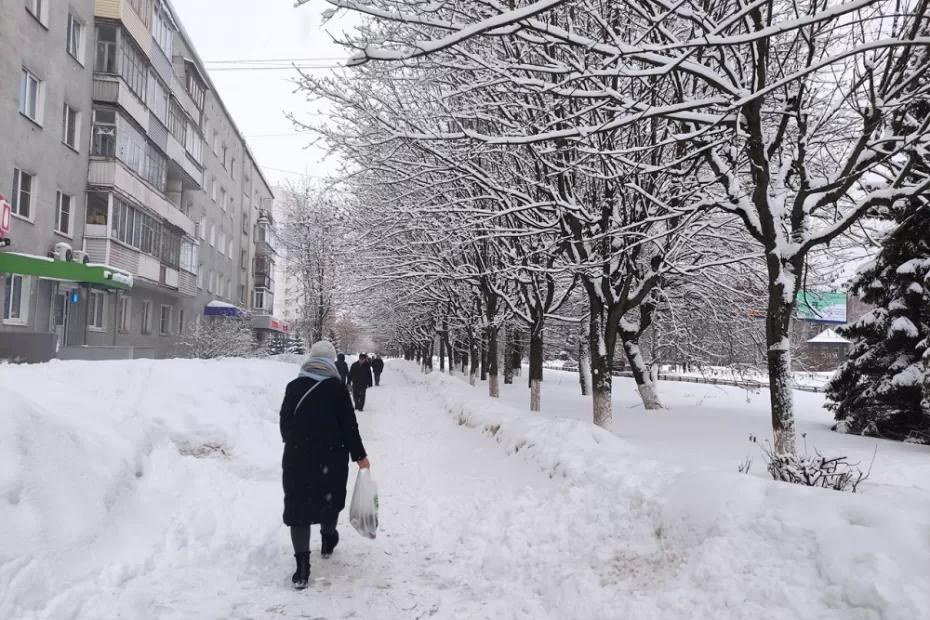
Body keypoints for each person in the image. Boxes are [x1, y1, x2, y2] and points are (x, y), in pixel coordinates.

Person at [279, 340, 370, 589]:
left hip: (298, 457)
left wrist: (299, 442)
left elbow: (285, 425)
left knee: (298, 507)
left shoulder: (294, 387)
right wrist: (360, 456)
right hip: (332, 457)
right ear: (330, 361)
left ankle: (302, 568)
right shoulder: (338, 389)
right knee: (329, 500)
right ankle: (328, 538)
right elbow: (349, 427)